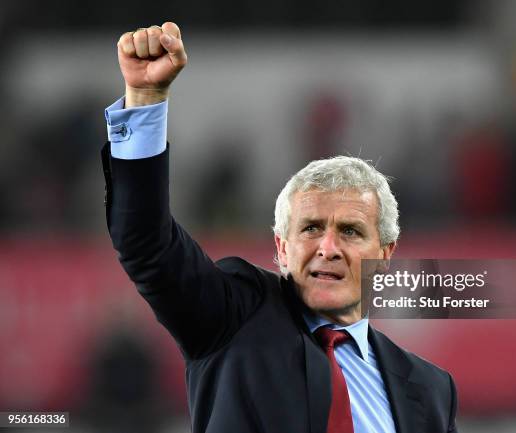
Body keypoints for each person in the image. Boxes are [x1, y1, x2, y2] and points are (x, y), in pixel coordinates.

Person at [102, 22, 458, 433]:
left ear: (385, 253)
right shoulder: (234, 317)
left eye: (351, 231)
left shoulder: (431, 389)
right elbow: (146, 243)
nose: (328, 247)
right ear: (282, 247)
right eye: (310, 228)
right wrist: (145, 99)